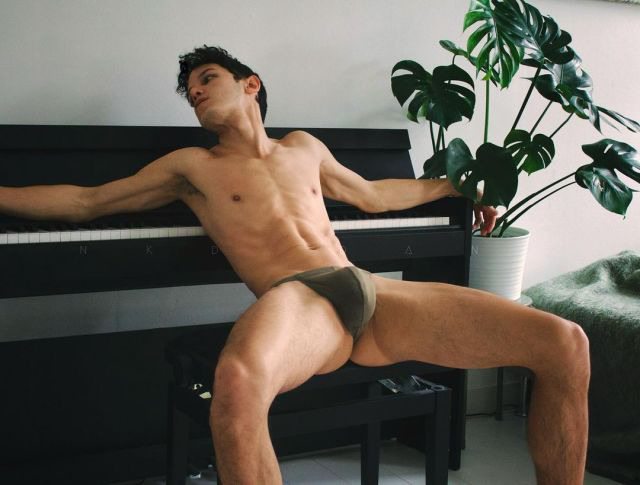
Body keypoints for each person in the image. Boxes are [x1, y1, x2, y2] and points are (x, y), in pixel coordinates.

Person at [0, 45, 589, 485]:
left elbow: (372, 195)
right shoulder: (192, 167)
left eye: (206, 79)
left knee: (565, 343)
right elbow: (86, 201)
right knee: (237, 384)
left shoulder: (304, 146)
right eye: (189, 91)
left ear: (250, 84)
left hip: (369, 290)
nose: (195, 93)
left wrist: (454, 187)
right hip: (301, 299)